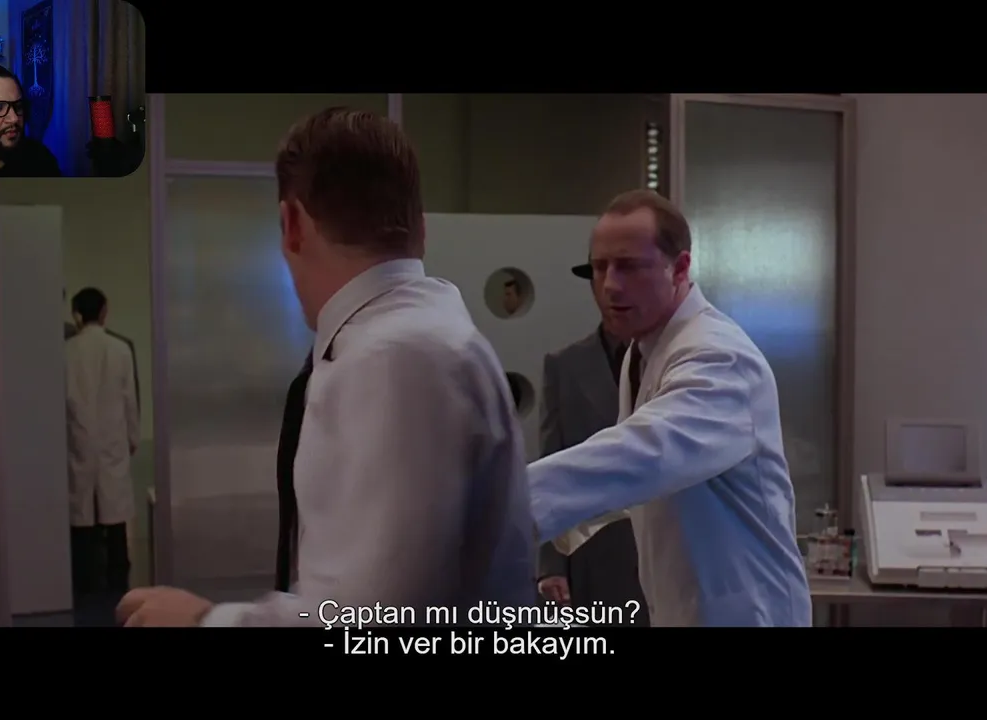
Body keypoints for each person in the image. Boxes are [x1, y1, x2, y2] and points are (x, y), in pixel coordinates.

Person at [117, 107, 535, 627]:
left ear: (291, 224)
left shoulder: (399, 359)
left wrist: (204, 621)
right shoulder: (406, 344)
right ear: (422, 230)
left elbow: (376, 621)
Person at [528, 189, 811, 627]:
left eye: (629, 267)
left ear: (680, 268)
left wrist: (501, 507)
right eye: (599, 268)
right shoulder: (643, 352)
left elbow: (644, 454)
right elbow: (632, 482)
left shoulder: (720, 357)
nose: (610, 285)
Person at [535, 259, 647, 625]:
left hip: (671, 550)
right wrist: (551, 564)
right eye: (600, 276)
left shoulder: (676, 359)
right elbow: (553, 459)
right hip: (595, 554)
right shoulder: (565, 365)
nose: (613, 289)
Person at [65, 287, 140, 601]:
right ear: (104, 311)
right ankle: (118, 575)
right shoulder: (120, 349)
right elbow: (129, 399)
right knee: (115, 512)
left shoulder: (66, 351)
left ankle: (83, 578)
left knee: (81, 511)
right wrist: (133, 437)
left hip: (78, 437)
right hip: (113, 437)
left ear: (77, 314)